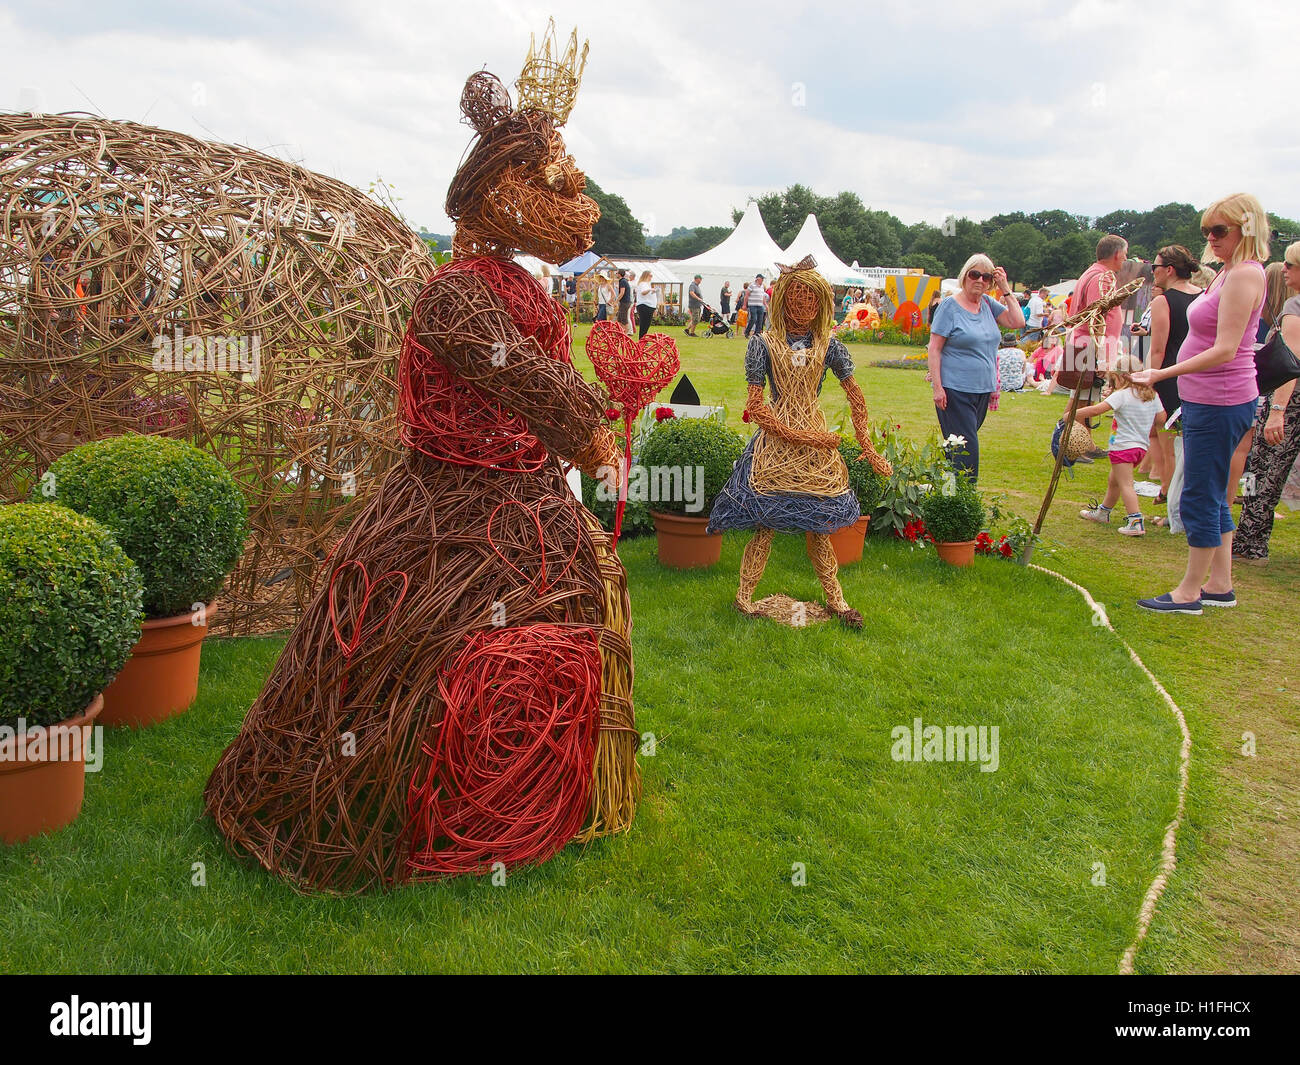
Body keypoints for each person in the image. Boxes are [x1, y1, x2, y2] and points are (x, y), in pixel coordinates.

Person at [706, 255, 892, 629]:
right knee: (765, 522)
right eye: (796, 296)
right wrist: (809, 437)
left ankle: (837, 600)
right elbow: (756, 407)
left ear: (821, 302)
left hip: (815, 448)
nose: (803, 304)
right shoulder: (763, 344)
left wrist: (868, 448)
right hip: (780, 444)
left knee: (818, 522)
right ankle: (744, 597)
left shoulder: (830, 346)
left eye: (811, 298)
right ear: (783, 298)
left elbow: (856, 397)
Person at [1131, 193, 1269, 613]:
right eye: (1207, 231)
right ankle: (1220, 583)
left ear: (1246, 228)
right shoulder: (1229, 273)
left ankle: (1190, 591)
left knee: (1198, 496)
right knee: (1211, 492)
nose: (1211, 239)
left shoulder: (1244, 275)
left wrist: (1162, 373)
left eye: (1219, 230)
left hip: (1220, 400)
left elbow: (1227, 348)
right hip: (1208, 399)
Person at [926, 253, 1024, 482]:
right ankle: (965, 497)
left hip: (981, 389)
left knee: (956, 448)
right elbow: (934, 348)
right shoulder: (950, 306)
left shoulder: (988, 304)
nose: (980, 280)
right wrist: (938, 388)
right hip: (955, 390)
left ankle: (946, 495)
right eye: (975, 274)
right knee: (966, 449)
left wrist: (1005, 288)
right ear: (965, 276)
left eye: (986, 277)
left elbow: (1017, 322)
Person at [1234, 240, 1300, 564]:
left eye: (1290, 265)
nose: (1284, 270)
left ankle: (1249, 541)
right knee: (1260, 474)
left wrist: (1277, 411)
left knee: (1260, 474)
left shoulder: (1295, 308)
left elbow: (1292, 364)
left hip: (1287, 406)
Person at [1076, 354, 1164, 536]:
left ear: (1120, 377)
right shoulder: (1152, 396)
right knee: (1114, 481)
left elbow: (1096, 409)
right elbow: (1161, 419)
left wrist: (1072, 414)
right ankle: (1103, 512)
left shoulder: (1122, 395)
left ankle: (1135, 521)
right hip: (1140, 448)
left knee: (1126, 485)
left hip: (1122, 448)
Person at [1145, 245, 1202, 512]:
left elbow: (1159, 348)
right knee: (1189, 447)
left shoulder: (1163, 301)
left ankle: (1171, 500)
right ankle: (1175, 498)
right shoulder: (1204, 297)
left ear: (1169, 270)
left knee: (1171, 448)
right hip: (1198, 375)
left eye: (1154, 267)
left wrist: (1147, 381)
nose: (1152, 273)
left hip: (1169, 376)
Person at [1067, 235, 1129, 435]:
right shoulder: (1103, 277)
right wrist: (1102, 358)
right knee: (1081, 400)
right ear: (1117, 254)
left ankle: (1084, 443)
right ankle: (1068, 443)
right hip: (1089, 347)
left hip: (1085, 345)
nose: (1125, 259)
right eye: (1125, 255)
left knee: (1085, 398)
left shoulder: (1092, 273)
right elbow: (1098, 318)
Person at [635, 269, 658, 339]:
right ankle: (642, 338)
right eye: (650, 275)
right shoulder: (643, 284)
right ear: (646, 275)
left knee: (646, 324)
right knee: (645, 323)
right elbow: (643, 292)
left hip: (648, 306)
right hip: (645, 306)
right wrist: (650, 290)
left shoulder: (646, 284)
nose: (651, 277)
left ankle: (642, 338)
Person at [744, 273, 768, 338]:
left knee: (760, 320)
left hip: (760, 305)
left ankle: (756, 333)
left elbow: (762, 296)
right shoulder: (752, 285)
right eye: (762, 279)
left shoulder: (762, 286)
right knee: (753, 319)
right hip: (752, 305)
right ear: (758, 279)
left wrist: (765, 305)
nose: (762, 280)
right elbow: (746, 295)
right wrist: (744, 305)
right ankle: (747, 332)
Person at [616, 268, 633, 336]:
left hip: (625, 302)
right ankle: (620, 333)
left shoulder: (622, 281)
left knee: (624, 318)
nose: (616, 274)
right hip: (624, 302)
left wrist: (616, 301)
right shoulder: (622, 281)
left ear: (619, 274)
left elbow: (622, 292)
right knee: (619, 318)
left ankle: (625, 334)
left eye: (617, 273)